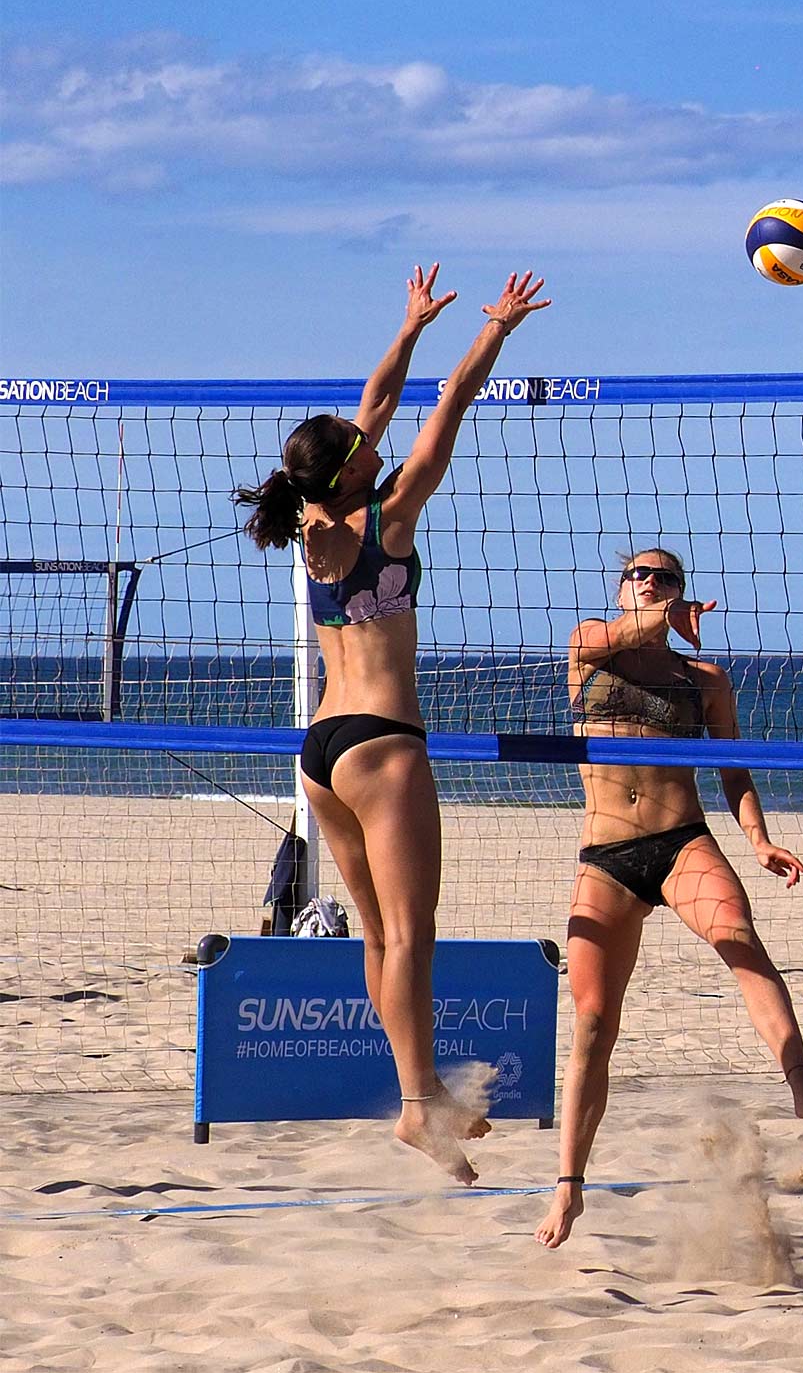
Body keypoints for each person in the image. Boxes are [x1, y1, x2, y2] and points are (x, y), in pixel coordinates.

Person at [233, 265, 551, 1183]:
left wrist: (409, 325)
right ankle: (419, 1105)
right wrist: (494, 328)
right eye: (364, 441)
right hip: (383, 747)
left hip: (321, 753)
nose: (375, 434)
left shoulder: (310, 518)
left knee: (379, 938)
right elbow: (451, 402)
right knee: (411, 938)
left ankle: (421, 1096)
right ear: (356, 462)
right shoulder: (393, 517)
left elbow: (374, 403)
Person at [535, 547, 803, 1251]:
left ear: (682, 593)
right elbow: (624, 635)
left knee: (740, 936)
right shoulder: (590, 644)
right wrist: (656, 618)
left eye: (665, 577)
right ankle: (569, 1188)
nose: (650, 582)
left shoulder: (704, 677)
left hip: (680, 841)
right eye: (640, 576)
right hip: (607, 855)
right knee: (591, 1023)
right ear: (622, 590)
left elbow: (733, 767)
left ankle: (801, 1080)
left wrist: (760, 839)